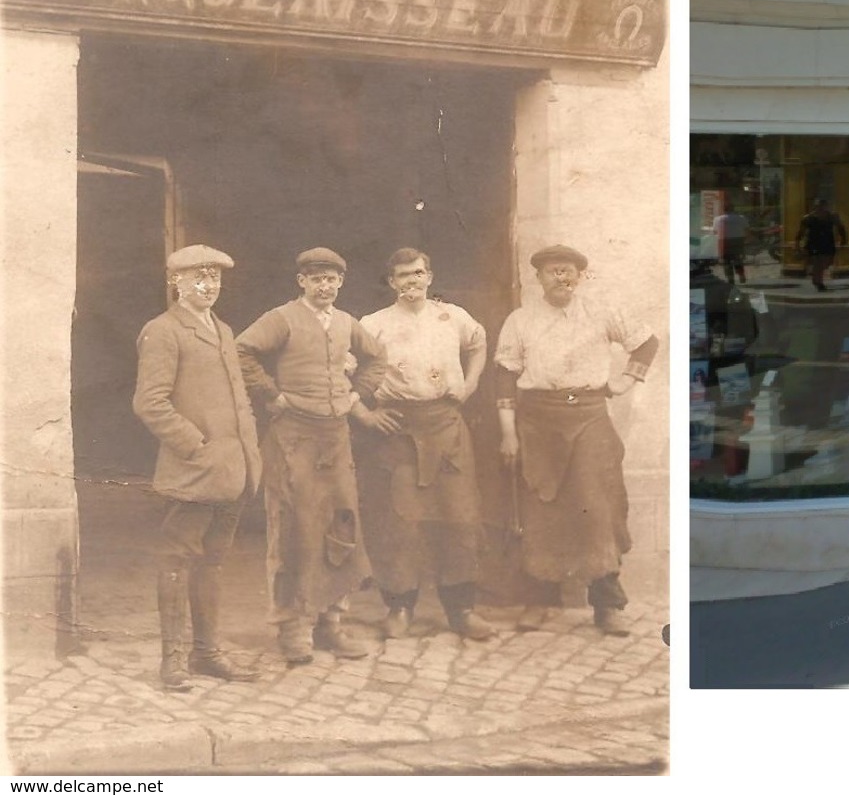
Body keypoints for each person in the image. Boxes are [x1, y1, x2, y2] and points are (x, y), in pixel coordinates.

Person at [494, 245, 659, 636]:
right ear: (539, 278)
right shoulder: (520, 321)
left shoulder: (601, 312)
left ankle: (608, 605)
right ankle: (539, 600)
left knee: (598, 506)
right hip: (538, 420)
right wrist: (507, 433)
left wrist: (625, 379)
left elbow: (647, 343)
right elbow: (504, 375)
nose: (561, 278)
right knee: (541, 506)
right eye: (552, 271)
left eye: (568, 271)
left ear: (579, 276)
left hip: (588, 416)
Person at [237, 248, 387, 664]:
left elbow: (377, 359)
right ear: (301, 281)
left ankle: (331, 625)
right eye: (316, 278)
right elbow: (242, 350)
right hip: (293, 437)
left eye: (332, 279)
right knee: (293, 529)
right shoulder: (281, 318)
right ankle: (292, 628)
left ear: (341, 283)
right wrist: (273, 394)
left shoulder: (346, 323)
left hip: (335, 435)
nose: (325, 286)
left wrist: (358, 393)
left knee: (341, 525)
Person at [132, 245, 263, 690]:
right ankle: (172, 660)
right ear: (177, 283)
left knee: (213, 562)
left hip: (232, 469)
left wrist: (248, 452)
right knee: (176, 560)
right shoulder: (163, 330)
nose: (209, 287)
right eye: (198, 279)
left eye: (215, 279)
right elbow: (150, 403)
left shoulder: (223, 329)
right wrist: (196, 444)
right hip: (195, 469)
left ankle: (206, 652)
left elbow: (236, 396)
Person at [354, 249, 493, 641]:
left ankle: (461, 609)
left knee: (460, 517)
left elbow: (479, 344)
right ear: (392, 282)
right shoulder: (373, 324)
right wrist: (365, 414)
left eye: (417, 274)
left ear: (429, 276)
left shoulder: (453, 316)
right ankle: (400, 607)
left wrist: (471, 383)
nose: (411, 282)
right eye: (402, 276)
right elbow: (343, 368)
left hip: (446, 425)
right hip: (397, 427)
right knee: (399, 522)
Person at [796, 199, 847, 292]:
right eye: (818, 207)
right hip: (813, 242)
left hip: (828, 242)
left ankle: (816, 278)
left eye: (823, 206)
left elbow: (841, 227)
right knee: (818, 262)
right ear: (815, 207)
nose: (821, 209)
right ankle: (819, 282)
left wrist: (843, 239)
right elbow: (800, 232)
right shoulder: (808, 218)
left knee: (826, 262)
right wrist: (798, 245)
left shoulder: (832, 216)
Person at [712, 204, 750, 285]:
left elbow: (715, 232)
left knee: (726, 261)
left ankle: (730, 279)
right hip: (738, 240)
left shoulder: (717, 219)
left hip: (724, 241)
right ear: (733, 209)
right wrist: (745, 240)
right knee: (738, 259)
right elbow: (746, 229)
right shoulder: (741, 218)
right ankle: (741, 275)